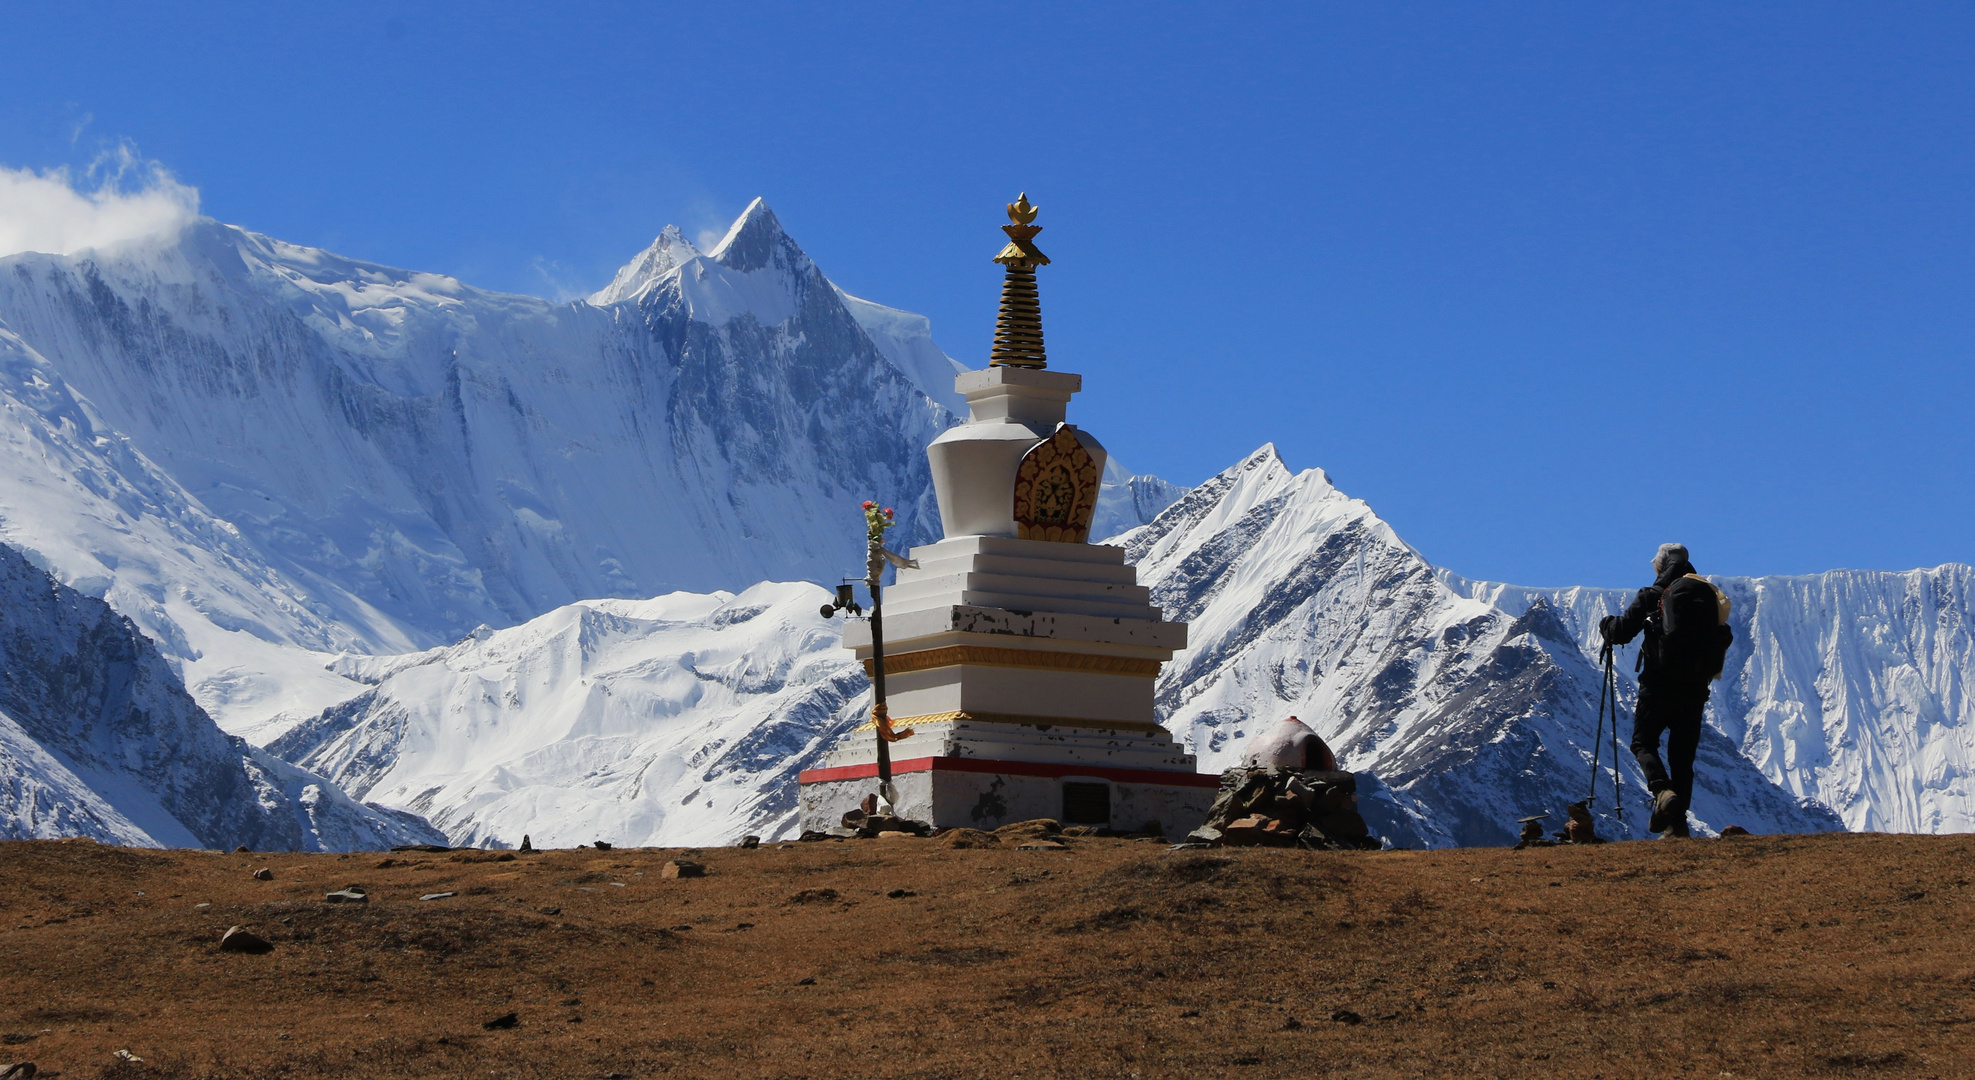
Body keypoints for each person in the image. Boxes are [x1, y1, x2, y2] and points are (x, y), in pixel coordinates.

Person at [1598, 543, 1732, 838]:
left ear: (1661, 566)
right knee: (1682, 758)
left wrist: (1606, 625)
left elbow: (1621, 631)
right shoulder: (1707, 595)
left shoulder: (1653, 594)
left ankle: (1661, 791)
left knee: (1642, 742)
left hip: (1658, 684)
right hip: (1696, 688)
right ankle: (1677, 825)